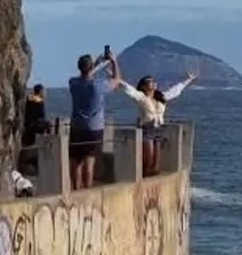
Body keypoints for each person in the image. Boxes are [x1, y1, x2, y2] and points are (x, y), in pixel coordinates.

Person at [119, 68, 198, 176]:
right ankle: (144, 175)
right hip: (147, 128)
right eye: (150, 82)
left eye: (153, 81)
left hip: (159, 128)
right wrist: (117, 80)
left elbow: (175, 90)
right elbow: (129, 89)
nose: (154, 83)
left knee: (156, 161)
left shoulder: (161, 97)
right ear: (143, 86)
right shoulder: (141, 97)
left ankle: (150, 178)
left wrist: (188, 80)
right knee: (149, 156)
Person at [68, 51, 122, 189]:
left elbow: (85, 75)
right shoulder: (98, 85)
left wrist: (96, 66)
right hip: (94, 128)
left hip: (77, 127)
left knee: (76, 161)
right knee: (89, 161)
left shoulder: (73, 83)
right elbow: (116, 81)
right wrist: (113, 61)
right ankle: (87, 188)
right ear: (91, 67)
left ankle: (76, 188)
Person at [19, 84, 52, 174]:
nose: (45, 93)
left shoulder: (29, 100)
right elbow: (41, 117)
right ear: (40, 92)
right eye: (44, 91)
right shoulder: (39, 102)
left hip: (27, 128)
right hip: (35, 129)